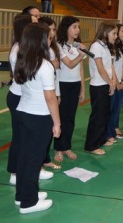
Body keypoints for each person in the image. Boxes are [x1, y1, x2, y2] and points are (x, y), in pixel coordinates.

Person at [14, 23, 61, 214]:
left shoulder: (24, 60)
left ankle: (23, 194)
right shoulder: (45, 65)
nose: (50, 40)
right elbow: (50, 97)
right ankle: (28, 202)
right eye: (48, 37)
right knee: (34, 159)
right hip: (39, 117)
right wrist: (57, 122)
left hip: (23, 113)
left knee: (24, 157)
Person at [7, 14, 54, 187]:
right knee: (21, 139)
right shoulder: (20, 50)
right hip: (20, 97)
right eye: (34, 24)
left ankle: (29, 172)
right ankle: (15, 172)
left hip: (24, 96)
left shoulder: (25, 48)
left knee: (26, 141)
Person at [54, 16, 85, 162]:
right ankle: (58, 149)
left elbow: (80, 69)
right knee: (60, 118)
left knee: (70, 118)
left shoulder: (78, 46)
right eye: (74, 27)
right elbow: (70, 64)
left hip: (75, 84)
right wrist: (81, 55)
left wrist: (83, 89)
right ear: (66, 28)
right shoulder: (59, 45)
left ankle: (66, 147)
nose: (77, 30)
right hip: (63, 85)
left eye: (78, 27)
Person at [84, 22, 118, 155]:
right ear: (105, 33)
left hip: (106, 84)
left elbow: (110, 66)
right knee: (97, 116)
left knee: (104, 115)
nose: (115, 36)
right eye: (113, 33)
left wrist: (113, 81)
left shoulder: (106, 46)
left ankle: (100, 140)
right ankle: (91, 145)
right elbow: (100, 68)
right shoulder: (96, 46)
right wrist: (110, 82)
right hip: (98, 86)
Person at [38, 16, 62, 169]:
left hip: (52, 89)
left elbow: (55, 76)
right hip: (42, 96)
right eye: (50, 30)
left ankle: (45, 158)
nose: (52, 33)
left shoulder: (53, 48)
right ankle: (39, 163)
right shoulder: (38, 49)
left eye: (54, 29)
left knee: (46, 133)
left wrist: (57, 93)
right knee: (41, 133)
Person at [107, 23, 123, 142]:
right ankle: (109, 131)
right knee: (110, 109)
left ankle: (114, 127)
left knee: (117, 108)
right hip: (113, 83)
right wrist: (117, 83)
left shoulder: (120, 48)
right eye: (122, 31)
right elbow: (112, 66)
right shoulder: (110, 48)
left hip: (120, 81)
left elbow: (121, 66)